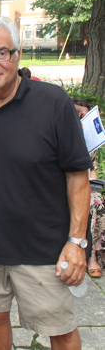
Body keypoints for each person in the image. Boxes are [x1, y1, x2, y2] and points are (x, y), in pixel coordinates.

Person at [0, 15, 92, 350]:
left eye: (2, 52)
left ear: (18, 55)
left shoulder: (53, 102)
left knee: (58, 328)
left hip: (43, 247)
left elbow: (77, 174)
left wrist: (77, 242)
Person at [73, 98, 105, 278]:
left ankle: (92, 257)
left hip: (86, 186)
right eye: (80, 115)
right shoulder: (62, 137)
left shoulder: (89, 143)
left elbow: (92, 173)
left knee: (95, 200)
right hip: (63, 188)